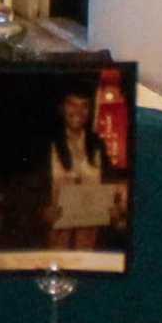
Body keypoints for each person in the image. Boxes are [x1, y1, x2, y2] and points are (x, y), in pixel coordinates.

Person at [46, 86, 123, 257]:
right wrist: (42, 209)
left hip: (91, 226)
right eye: (72, 104)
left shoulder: (97, 145)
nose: (78, 111)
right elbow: (32, 186)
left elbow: (108, 180)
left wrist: (114, 204)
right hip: (55, 225)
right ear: (61, 108)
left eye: (84, 105)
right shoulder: (47, 143)